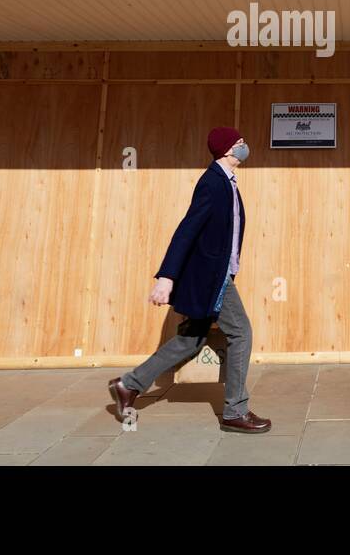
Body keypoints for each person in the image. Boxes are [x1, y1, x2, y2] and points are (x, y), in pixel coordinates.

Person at [108, 126, 271, 433]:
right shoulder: (212, 182)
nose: (244, 146)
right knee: (242, 333)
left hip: (217, 274)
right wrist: (167, 277)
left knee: (190, 340)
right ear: (226, 149)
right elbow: (187, 230)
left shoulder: (228, 183)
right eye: (238, 143)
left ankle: (128, 385)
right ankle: (235, 411)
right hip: (211, 277)